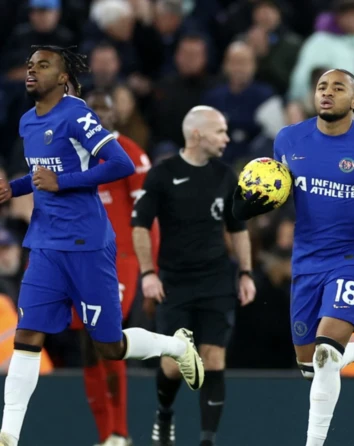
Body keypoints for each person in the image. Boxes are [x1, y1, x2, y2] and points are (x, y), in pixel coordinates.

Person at [0, 45, 204, 446]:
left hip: (87, 245)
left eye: (43, 65)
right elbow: (45, 174)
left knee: (109, 346)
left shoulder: (76, 113)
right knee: (28, 336)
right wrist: (13, 188)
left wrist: (64, 184)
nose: (31, 70)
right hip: (44, 245)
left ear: (62, 78)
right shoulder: (27, 121)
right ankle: (9, 434)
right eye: (29, 64)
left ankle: (177, 345)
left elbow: (119, 164)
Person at [232, 68, 354, 446]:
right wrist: (249, 207)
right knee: (311, 366)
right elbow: (280, 189)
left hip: (350, 257)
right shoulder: (289, 139)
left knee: (324, 355)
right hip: (305, 262)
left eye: (338, 88)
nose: (327, 93)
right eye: (322, 86)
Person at [131, 105, 256, 446]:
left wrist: (245, 272)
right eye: (220, 131)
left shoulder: (226, 174)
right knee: (174, 365)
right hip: (174, 281)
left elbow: (237, 227)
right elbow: (139, 225)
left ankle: (206, 440)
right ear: (197, 134)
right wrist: (148, 274)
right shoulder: (162, 173)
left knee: (214, 357)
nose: (227, 138)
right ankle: (164, 412)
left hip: (216, 279)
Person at [67, 89, 159, 446]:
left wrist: (150, 268)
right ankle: (106, 434)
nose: (100, 115)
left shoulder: (131, 155)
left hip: (118, 260)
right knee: (86, 342)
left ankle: (120, 431)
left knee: (105, 335)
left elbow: (147, 218)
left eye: (106, 109)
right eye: (94, 110)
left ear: (116, 115)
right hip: (77, 257)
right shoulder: (72, 155)